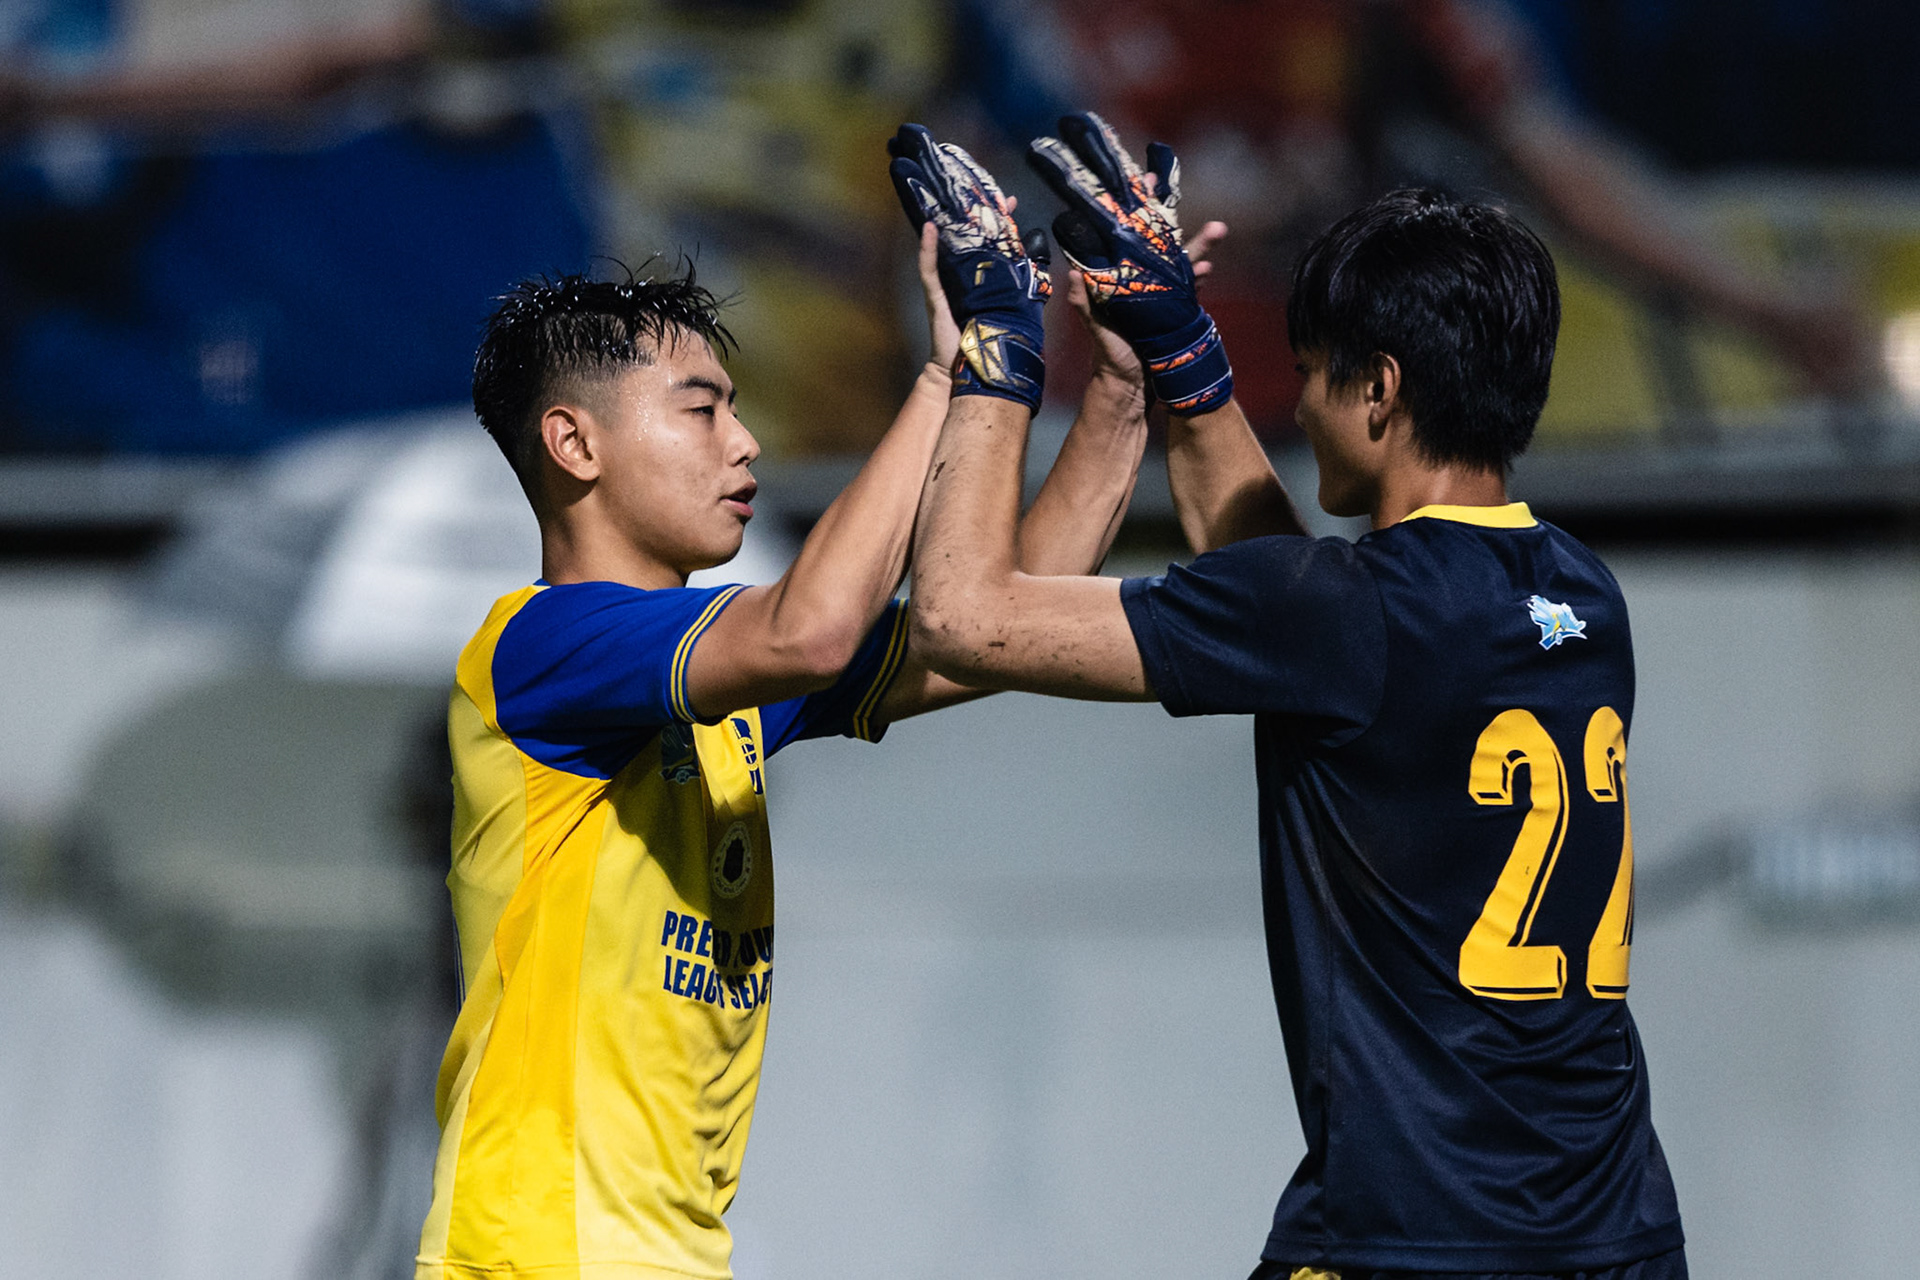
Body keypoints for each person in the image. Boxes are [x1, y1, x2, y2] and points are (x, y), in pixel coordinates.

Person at [903, 112, 1685, 1278]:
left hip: (1414, 1237)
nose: (1304, 406)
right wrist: (1181, 350)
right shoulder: (1582, 595)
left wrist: (999, 341)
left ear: (1381, 389)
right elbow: (1288, 602)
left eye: (1316, 375)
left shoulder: (1342, 613)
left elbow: (960, 615)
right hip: (1619, 1229)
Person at [412, 151, 1167, 1275]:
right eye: (702, 409)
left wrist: (1115, 386)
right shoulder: (543, 645)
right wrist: (949, 375)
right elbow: (811, 630)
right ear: (574, 444)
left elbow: (990, 626)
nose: (745, 441)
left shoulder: (721, 686)